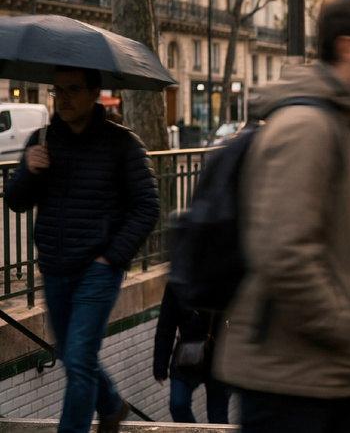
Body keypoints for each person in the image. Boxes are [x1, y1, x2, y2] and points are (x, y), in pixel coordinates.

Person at [215, 0, 350, 432]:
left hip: (326, 374)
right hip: (293, 382)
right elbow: (284, 254)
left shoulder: (337, 124)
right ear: (349, 48)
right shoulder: (307, 127)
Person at [6, 67, 160, 433]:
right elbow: (16, 201)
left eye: (72, 89)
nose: (63, 98)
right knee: (71, 355)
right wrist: (27, 170)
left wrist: (112, 258)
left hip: (98, 268)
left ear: (94, 92)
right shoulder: (41, 140)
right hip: (54, 266)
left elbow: (147, 207)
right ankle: (111, 407)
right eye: (57, 90)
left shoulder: (123, 144)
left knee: (78, 356)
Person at [153, 282, 230, 423]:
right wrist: (160, 367)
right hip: (187, 352)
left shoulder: (225, 277)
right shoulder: (177, 281)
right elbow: (166, 325)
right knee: (178, 404)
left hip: (219, 355)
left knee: (217, 415)